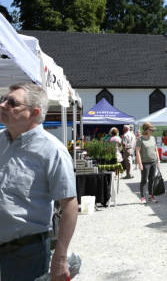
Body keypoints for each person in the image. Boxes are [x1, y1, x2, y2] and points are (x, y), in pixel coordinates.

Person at [0, 82, 78, 281]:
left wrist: (60, 257)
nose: (3, 105)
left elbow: (69, 204)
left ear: (34, 112)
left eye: (12, 103)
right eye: (3, 100)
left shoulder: (53, 151)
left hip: (26, 254)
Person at [135, 122, 161, 204]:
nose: (152, 131)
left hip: (153, 162)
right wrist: (140, 164)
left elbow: (156, 149)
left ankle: (151, 196)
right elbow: (137, 152)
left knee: (152, 179)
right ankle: (142, 197)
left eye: (153, 130)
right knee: (144, 180)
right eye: (151, 130)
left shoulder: (153, 138)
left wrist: (158, 160)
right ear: (146, 130)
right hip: (145, 163)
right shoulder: (140, 139)